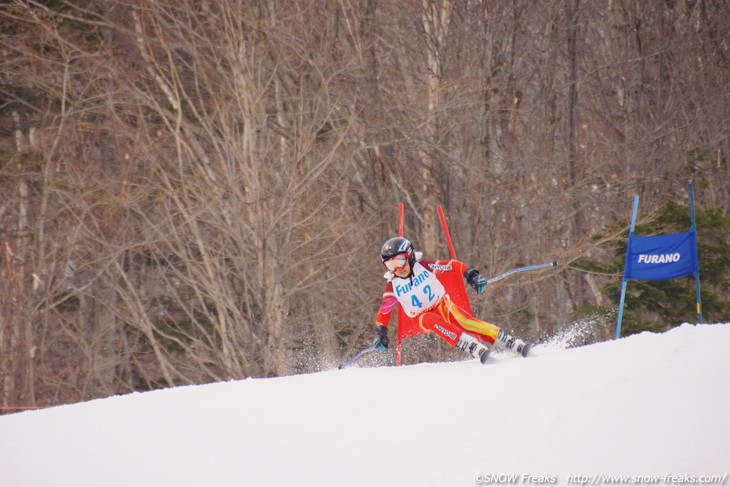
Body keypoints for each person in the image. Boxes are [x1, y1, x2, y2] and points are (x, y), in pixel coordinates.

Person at [372, 237, 531, 364]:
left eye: (399, 262)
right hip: (419, 317)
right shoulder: (392, 285)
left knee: (465, 321)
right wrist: (381, 331)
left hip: (440, 304)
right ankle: (469, 344)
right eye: (390, 265)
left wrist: (470, 274)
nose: (397, 269)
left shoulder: (425, 267)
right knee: (431, 319)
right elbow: (385, 310)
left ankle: (507, 341)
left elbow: (451, 265)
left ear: (410, 256)